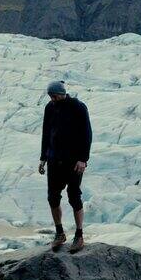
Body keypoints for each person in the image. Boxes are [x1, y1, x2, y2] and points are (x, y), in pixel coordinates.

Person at [39, 80, 92, 253]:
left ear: (62, 93)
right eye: (50, 96)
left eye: (54, 95)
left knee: (74, 195)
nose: (52, 98)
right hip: (54, 159)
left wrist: (83, 159)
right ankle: (59, 233)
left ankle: (79, 235)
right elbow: (46, 132)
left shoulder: (78, 107)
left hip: (73, 161)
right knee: (52, 197)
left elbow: (87, 134)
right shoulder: (50, 108)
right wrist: (43, 158)